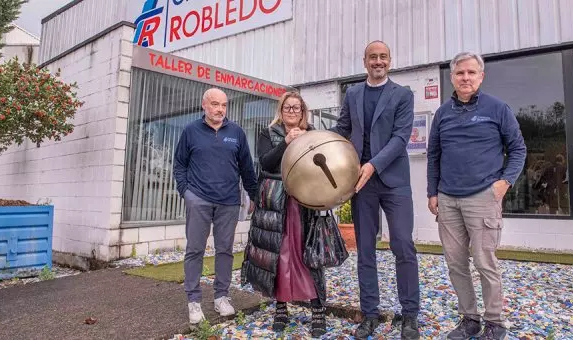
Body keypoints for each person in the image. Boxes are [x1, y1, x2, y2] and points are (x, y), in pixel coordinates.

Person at [427, 51, 527, 340]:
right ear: (452, 78)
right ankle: (469, 319)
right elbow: (434, 155)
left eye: (471, 73)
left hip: (483, 197)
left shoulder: (498, 109)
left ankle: (495, 322)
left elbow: (518, 150)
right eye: (460, 73)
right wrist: (432, 192)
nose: (466, 78)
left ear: (481, 76)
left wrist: (504, 183)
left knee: (485, 262)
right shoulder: (443, 113)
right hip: (448, 199)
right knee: (456, 264)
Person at [330, 40, 420, 339]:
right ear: (364, 61)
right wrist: (315, 142)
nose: (378, 61)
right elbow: (342, 130)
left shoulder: (403, 94)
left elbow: (400, 138)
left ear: (390, 61)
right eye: (372, 57)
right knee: (365, 250)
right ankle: (369, 314)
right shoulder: (353, 93)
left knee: (403, 246)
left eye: (383, 57)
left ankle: (409, 315)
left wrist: (372, 165)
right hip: (360, 184)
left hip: (394, 182)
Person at [241, 91, 328, 337]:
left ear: (303, 112)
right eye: (288, 108)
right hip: (275, 202)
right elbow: (266, 163)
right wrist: (286, 142)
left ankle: (317, 308)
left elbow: (322, 164)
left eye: (296, 108)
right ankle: (280, 307)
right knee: (278, 254)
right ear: (281, 110)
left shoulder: (313, 133)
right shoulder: (267, 134)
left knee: (308, 254)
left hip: (305, 203)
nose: (292, 111)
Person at [173, 87, 258, 325]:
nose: (220, 109)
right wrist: (186, 193)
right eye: (214, 104)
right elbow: (179, 164)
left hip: (228, 202)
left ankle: (221, 297)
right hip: (198, 199)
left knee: (225, 251)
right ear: (204, 105)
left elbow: (247, 168)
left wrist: (254, 196)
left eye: (223, 105)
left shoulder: (237, 133)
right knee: (195, 250)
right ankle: (193, 300)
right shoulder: (191, 131)